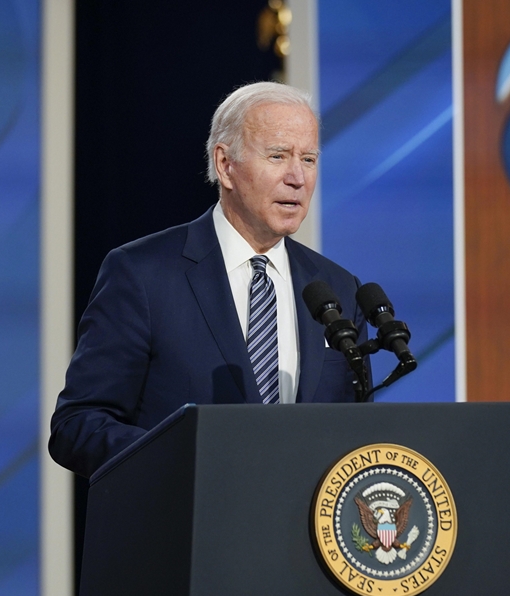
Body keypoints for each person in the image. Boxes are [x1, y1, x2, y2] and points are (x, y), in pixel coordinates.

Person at [49, 81, 367, 478]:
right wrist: (188, 464)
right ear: (225, 165)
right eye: (277, 156)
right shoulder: (142, 275)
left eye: (308, 159)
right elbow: (78, 424)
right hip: (183, 512)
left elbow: (359, 433)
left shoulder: (339, 289)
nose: (297, 178)